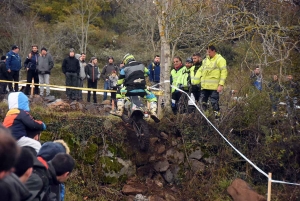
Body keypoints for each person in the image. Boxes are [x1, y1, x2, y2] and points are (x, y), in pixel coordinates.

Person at [110, 53, 159, 122]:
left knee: (119, 92)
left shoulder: (124, 68)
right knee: (153, 97)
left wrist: (118, 84)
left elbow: (120, 81)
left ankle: (120, 110)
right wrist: (141, 75)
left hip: (129, 90)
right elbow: (148, 72)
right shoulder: (141, 65)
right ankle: (153, 112)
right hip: (142, 89)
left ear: (125, 60)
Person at [199, 45, 228, 119]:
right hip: (204, 87)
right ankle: (205, 118)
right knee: (202, 103)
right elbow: (201, 71)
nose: (208, 53)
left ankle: (217, 118)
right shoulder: (205, 60)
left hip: (214, 87)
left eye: (209, 52)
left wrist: (221, 85)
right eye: (207, 52)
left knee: (214, 103)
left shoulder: (220, 59)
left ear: (214, 51)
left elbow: (224, 73)